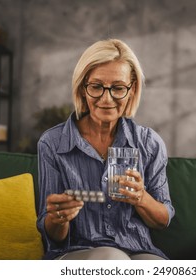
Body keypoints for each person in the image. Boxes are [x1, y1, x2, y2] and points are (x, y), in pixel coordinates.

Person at [36, 39, 175, 260]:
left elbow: (163, 219)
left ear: (132, 90)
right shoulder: (53, 142)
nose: (106, 98)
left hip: (138, 250)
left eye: (118, 88)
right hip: (74, 252)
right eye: (96, 87)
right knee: (112, 258)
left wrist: (141, 198)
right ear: (82, 89)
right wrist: (59, 217)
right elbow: (53, 235)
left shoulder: (149, 143)